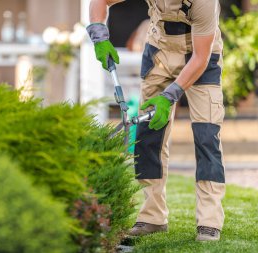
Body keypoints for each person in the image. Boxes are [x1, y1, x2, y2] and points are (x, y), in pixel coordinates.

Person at [87, 0, 225, 241]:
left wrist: (169, 97)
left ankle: (209, 222)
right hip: (159, 53)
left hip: (201, 59)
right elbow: (100, 1)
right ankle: (152, 217)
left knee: (207, 137)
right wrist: (99, 34)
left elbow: (201, 58)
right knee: (148, 136)